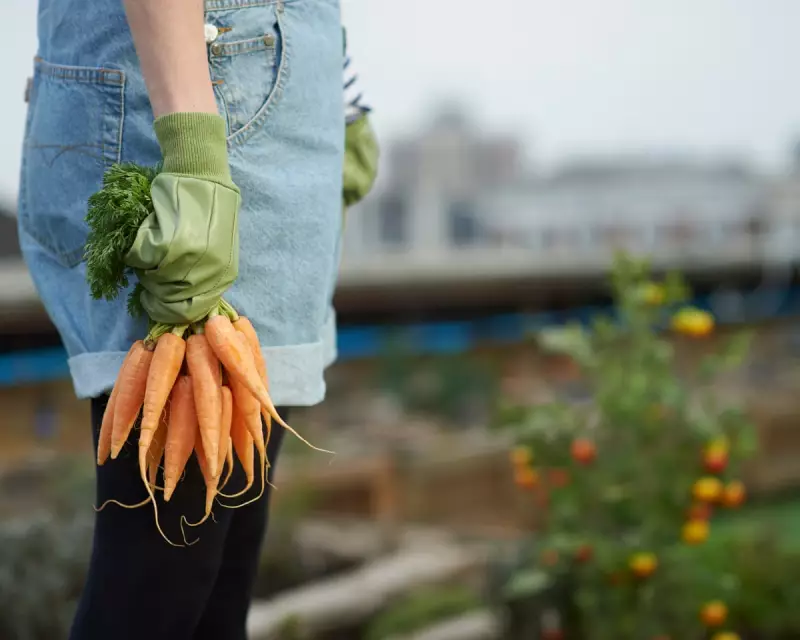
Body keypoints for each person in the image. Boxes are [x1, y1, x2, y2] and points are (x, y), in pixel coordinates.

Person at [17, 1, 378, 638]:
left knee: (220, 576)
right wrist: (192, 151)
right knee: (160, 585)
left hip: (264, 96)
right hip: (198, 94)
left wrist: (342, 93)